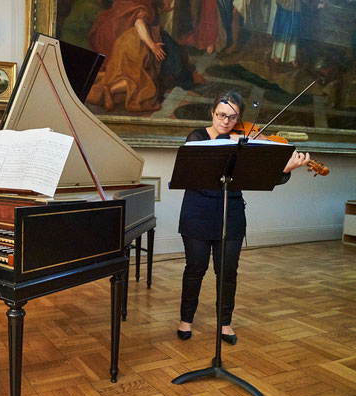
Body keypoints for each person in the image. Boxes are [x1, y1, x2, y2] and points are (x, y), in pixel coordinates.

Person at [176, 90, 310, 345]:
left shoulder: (245, 142)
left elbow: (261, 177)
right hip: (198, 213)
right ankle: (186, 319)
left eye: (232, 117)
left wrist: (284, 169)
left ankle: (225, 323)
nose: (225, 121)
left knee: (228, 272)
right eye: (221, 115)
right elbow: (192, 173)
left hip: (232, 213)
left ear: (239, 118)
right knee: (195, 269)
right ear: (212, 112)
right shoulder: (197, 138)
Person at [86, 0, 199, 113]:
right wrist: (152, 45)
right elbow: (139, 22)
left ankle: (103, 83)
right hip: (136, 43)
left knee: (124, 73)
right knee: (144, 83)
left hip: (122, 42)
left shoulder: (135, 3)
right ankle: (111, 89)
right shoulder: (143, 6)